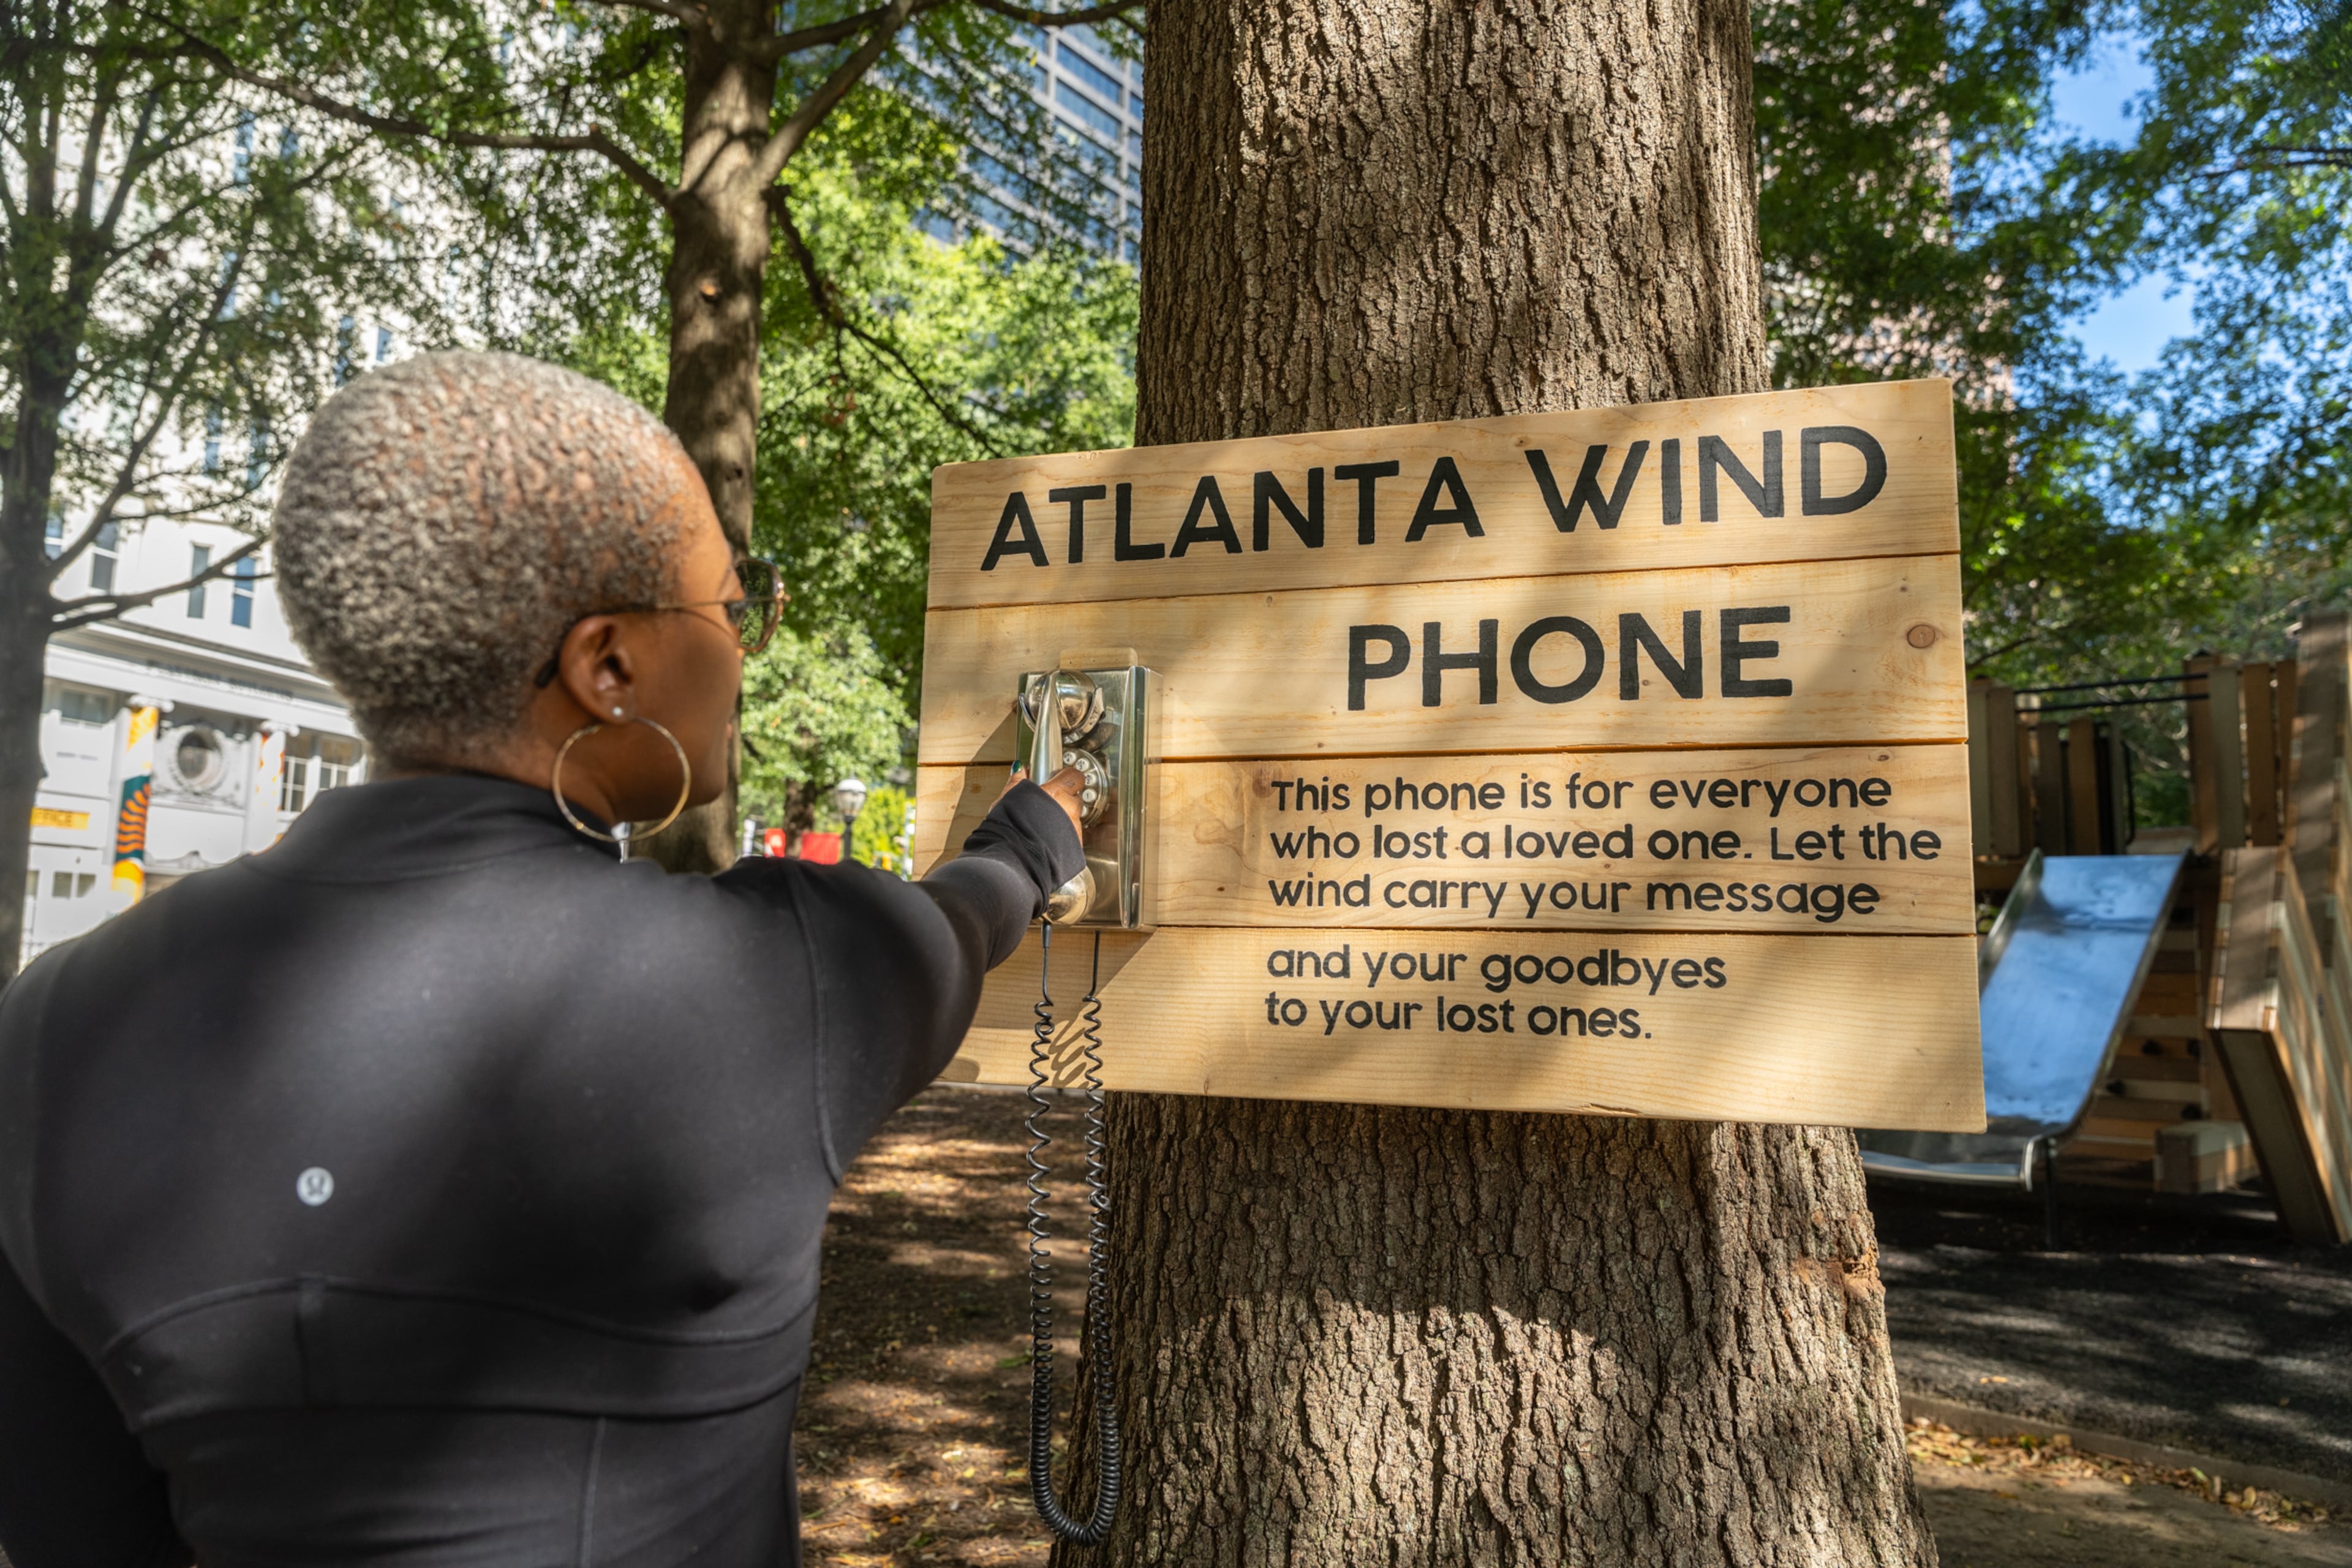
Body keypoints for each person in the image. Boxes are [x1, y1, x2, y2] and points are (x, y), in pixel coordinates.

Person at [0, 352, 1083, 1566]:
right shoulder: (774, 978)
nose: (744, 645)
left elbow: (66, 1522)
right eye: (733, 604)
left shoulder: (47, 1029)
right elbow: (956, 922)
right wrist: (1049, 827)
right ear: (608, 665)